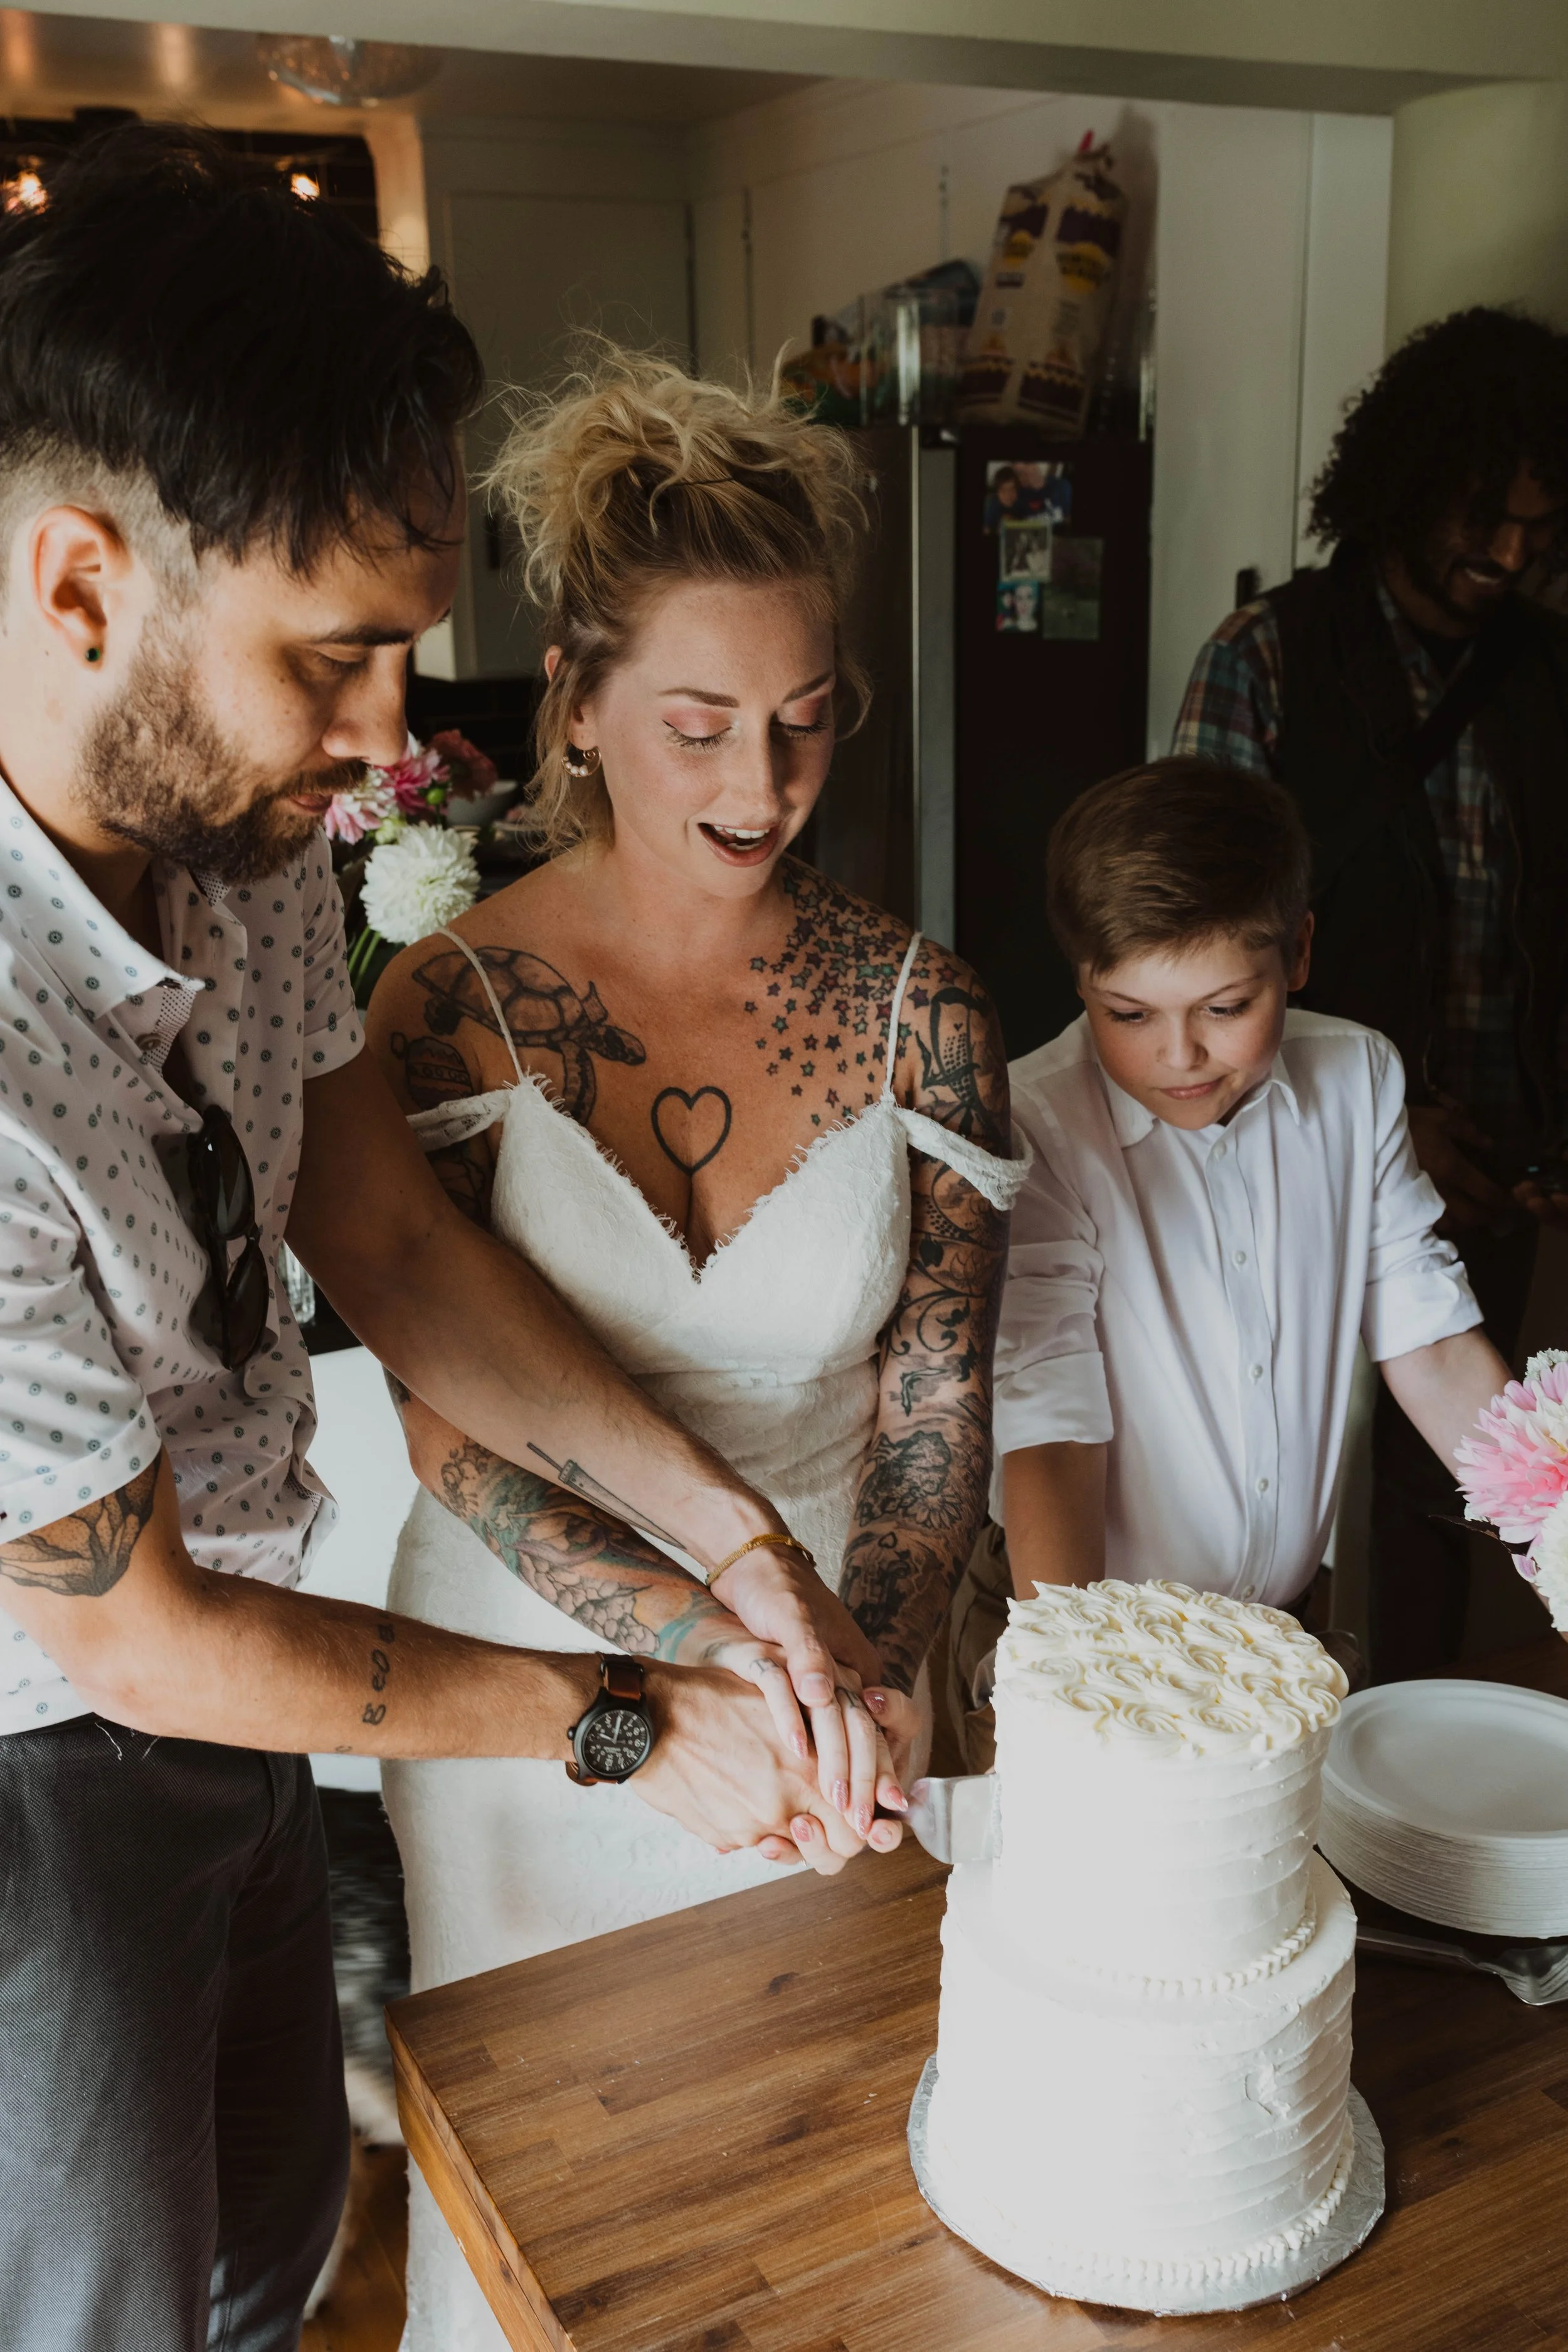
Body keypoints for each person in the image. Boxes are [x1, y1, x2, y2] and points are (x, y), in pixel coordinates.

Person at [0, 130, 887, 2352]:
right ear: (83, 586)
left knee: (266, 2252)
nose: (401, 737)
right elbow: (131, 1634)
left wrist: (737, 1548)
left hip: (245, 1691)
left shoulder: (250, 840)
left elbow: (379, 1229)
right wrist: (624, 1717)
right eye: (338, 659)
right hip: (39, 1774)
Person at [366, 346, 1027, 2352]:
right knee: (544, 2222)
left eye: (807, 726)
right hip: (537, 1689)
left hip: (841, 1703)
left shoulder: (927, 1011)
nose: (761, 787)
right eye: (701, 725)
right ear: (572, 699)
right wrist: (693, 1671)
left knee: (814, 2213)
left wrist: (865, 1669)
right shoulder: (449, 1002)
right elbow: (445, 1419)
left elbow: (934, 1397)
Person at [1171, 307, 1568, 1678]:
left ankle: (1394, 1771)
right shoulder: (1269, 658)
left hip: (1500, 1165)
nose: (1507, 555)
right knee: (1250, 1470)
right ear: (1399, 480)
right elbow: (1190, 947)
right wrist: (1383, 1131)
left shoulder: (1546, 678)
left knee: (1436, 1490)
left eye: (1538, 524)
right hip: (1305, 1150)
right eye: (1480, 514)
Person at [967, 763, 1513, 1715]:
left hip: (1282, 1631)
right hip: (1082, 1622)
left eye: (1225, 1008)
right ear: (1080, 978)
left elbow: (1429, 1340)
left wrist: (1556, 1520)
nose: (1179, 1055)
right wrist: (1085, 1686)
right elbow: (1050, 1422)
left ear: (1297, 952)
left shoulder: (1358, 1077)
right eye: (1128, 1014)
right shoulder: (1037, 1125)